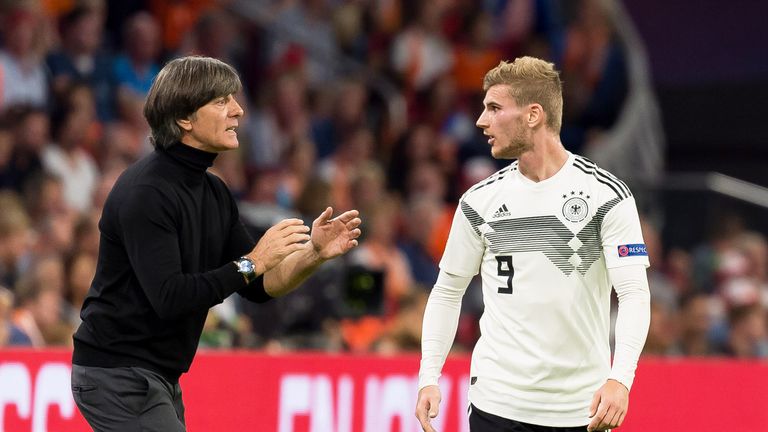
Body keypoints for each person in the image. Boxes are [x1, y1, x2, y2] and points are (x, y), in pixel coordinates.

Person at [70, 56, 362, 431]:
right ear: (184, 119)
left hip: (157, 376)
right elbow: (171, 297)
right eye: (222, 101)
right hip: (116, 372)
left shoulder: (214, 191)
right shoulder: (148, 192)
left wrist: (314, 254)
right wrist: (252, 262)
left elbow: (258, 287)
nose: (239, 110)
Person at [415, 57, 651, 432]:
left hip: (581, 410)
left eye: (494, 108)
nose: (481, 120)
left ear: (533, 115)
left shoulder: (606, 196)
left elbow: (635, 293)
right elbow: (447, 291)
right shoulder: (479, 202)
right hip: (497, 404)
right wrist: (429, 374)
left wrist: (621, 379)